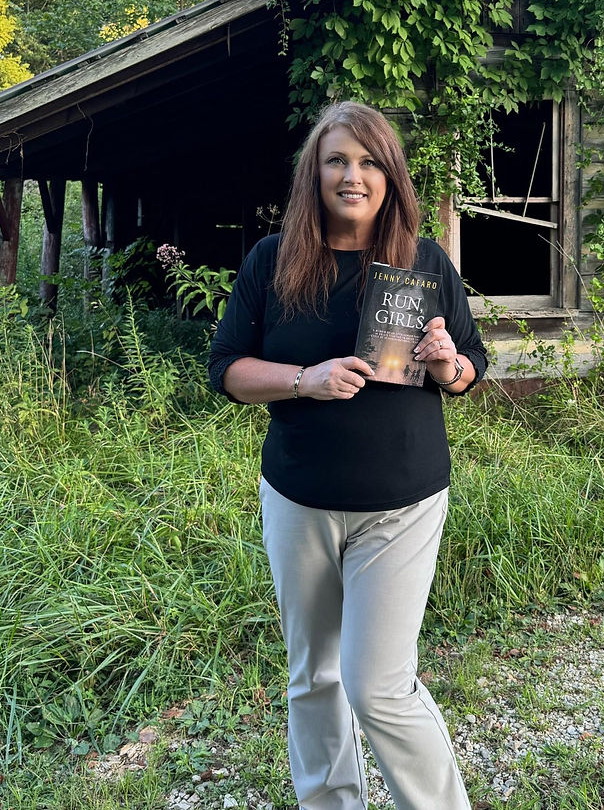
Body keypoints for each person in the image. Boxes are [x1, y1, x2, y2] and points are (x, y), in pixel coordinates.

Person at [208, 100, 487, 810]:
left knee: (378, 684)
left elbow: (470, 370)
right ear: (315, 173)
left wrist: (450, 362)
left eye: (368, 162)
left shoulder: (425, 264)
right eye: (337, 160)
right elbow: (228, 370)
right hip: (299, 498)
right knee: (313, 676)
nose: (352, 176)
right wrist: (305, 380)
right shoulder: (273, 261)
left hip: (401, 502)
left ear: (390, 177)